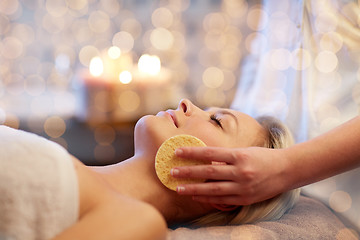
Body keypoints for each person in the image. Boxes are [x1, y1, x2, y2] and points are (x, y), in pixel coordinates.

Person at [0, 99, 300, 240]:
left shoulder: (138, 220)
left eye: (217, 121)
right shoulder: (66, 162)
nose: (187, 103)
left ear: (227, 186)